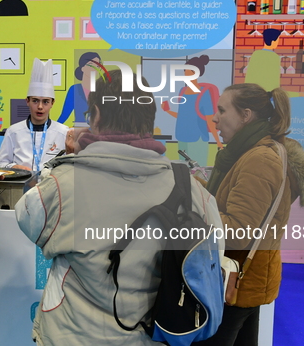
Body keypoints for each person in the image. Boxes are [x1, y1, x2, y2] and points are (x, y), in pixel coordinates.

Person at [15, 69, 222, 345]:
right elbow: (212, 253)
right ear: (150, 119)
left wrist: (69, 156)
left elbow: (27, 218)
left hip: (73, 336)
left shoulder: (63, 185)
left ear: (96, 116)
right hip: (152, 336)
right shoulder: (190, 188)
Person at [192, 84, 304, 346]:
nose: (215, 118)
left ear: (246, 115)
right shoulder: (252, 153)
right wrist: (197, 187)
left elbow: (238, 232)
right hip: (244, 279)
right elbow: (236, 206)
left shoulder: (259, 159)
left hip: (237, 280)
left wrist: (195, 204)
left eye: (221, 109)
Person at [0, 58, 68, 172]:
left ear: (52, 103)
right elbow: (0, 164)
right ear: (27, 101)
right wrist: (15, 167)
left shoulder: (63, 132)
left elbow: (69, 167)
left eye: (45, 102)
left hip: (51, 187)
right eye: (35, 101)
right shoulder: (13, 131)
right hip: (21, 187)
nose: (40, 107)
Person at [161, 55, 222, 166]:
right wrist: (167, 111)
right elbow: (183, 116)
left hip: (197, 139)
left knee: (198, 172)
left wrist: (218, 142)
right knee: (183, 171)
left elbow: (209, 119)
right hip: (182, 137)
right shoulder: (182, 91)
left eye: (190, 71)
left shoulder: (204, 93)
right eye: (185, 71)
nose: (186, 73)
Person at [57, 51, 102, 126]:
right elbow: (65, 114)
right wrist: (52, 130)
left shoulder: (101, 89)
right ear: (82, 68)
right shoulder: (74, 89)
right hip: (80, 131)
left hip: (98, 132)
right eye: (91, 65)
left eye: (97, 66)